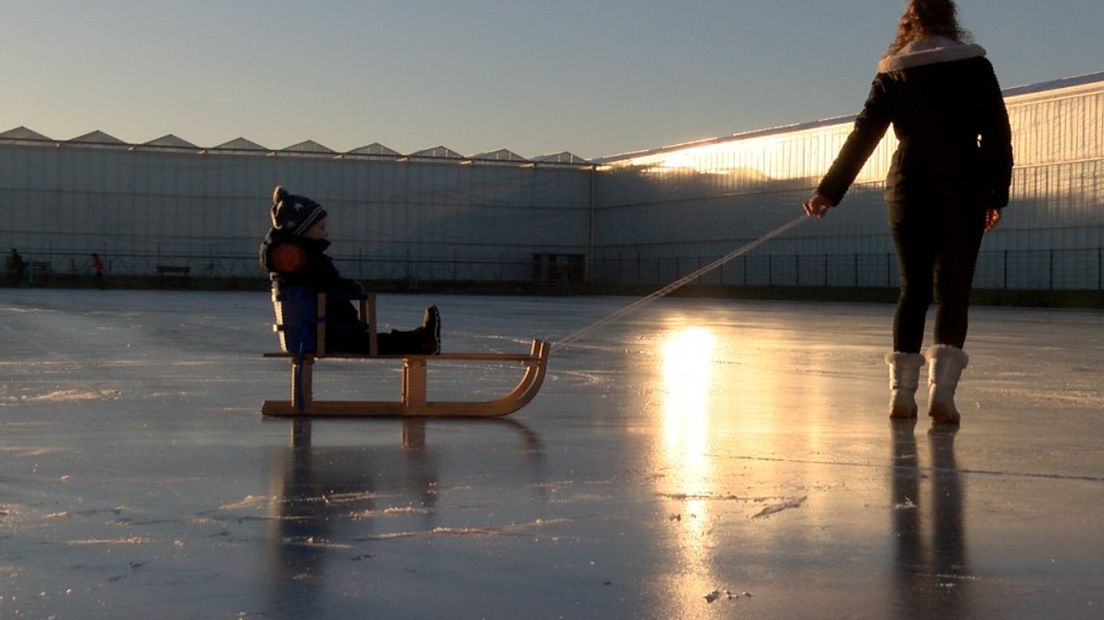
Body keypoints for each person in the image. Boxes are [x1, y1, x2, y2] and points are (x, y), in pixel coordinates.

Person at [803, 0, 1013, 425]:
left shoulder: (894, 71)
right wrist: (996, 195)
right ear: (950, 20)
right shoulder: (975, 66)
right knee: (953, 289)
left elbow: (865, 133)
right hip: (963, 187)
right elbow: (996, 134)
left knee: (912, 288)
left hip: (908, 187)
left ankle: (902, 395)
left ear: (909, 24)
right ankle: (944, 395)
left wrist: (829, 191)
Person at [260, 186, 441, 355]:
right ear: (301, 230)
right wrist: (353, 288)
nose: (325, 233)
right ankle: (422, 341)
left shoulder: (295, 261)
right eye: (321, 227)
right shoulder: (308, 261)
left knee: (370, 341)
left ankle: (422, 339)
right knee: (370, 343)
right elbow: (330, 285)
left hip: (313, 331)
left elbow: (324, 284)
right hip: (325, 333)